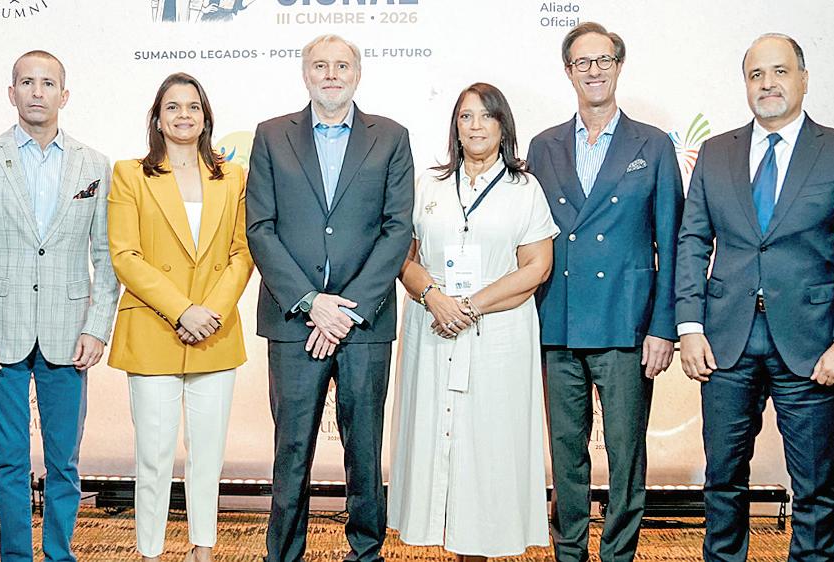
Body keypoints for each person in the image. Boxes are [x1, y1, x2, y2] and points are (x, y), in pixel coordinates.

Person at [676, 33, 834, 562]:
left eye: (780, 71)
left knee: (813, 486)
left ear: (804, 79)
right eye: (756, 74)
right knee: (723, 481)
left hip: (812, 346)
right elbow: (692, 240)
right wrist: (690, 327)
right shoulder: (716, 153)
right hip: (726, 343)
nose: (767, 83)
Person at [246, 34, 415, 562]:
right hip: (294, 320)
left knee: (364, 448)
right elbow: (260, 228)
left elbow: (397, 229)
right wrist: (310, 302)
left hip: (365, 322)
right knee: (292, 448)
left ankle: (366, 552)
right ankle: (283, 554)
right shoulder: (271, 135)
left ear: (357, 74)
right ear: (305, 74)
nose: (331, 74)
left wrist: (346, 309)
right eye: (320, 65)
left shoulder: (391, 137)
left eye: (342, 65)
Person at [0, 50, 118, 562]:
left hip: (70, 331)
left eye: (47, 83)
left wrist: (98, 326)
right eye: (26, 82)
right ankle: (16, 556)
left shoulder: (94, 163)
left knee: (65, 462)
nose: (37, 91)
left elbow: (106, 255)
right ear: (11, 92)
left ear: (65, 95)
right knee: (10, 463)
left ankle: (60, 554)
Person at [527, 21, 684, 562]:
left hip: (628, 324)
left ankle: (619, 554)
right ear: (568, 71)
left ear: (619, 66)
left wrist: (664, 326)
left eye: (603, 60)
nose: (593, 70)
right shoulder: (543, 145)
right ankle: (569, 551)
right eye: (582, 62)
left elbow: (673, 242)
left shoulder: (654, 144)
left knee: (625, 455)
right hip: (559, 321)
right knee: (565, 454)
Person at [387, 82, 557, 560]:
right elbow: (402, 256)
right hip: (432, 325)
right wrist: (434, 297)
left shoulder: (525, 189)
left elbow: (537, 267)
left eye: (487, 116)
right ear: (455, 128)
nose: (476, 125)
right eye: (466, 116)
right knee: (436, 442)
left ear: (503, 125)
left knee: (488, 447)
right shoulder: (430, 184)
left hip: (497, 333)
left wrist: (471, 305)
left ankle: (481, 548)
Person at [106, 72, 253, 562]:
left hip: (214, 332)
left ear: (206, 118)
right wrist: (182, 310)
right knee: (153, 458)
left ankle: (202, 549)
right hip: (154, 329)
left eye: (193, 107)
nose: (183, 115)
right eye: (172, 107)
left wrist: (210, 311)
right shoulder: (130, 174)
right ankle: (150, 552)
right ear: (157, 118)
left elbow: (242, 253)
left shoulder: (233, 177)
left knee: (208, 458)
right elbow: (125, 255)